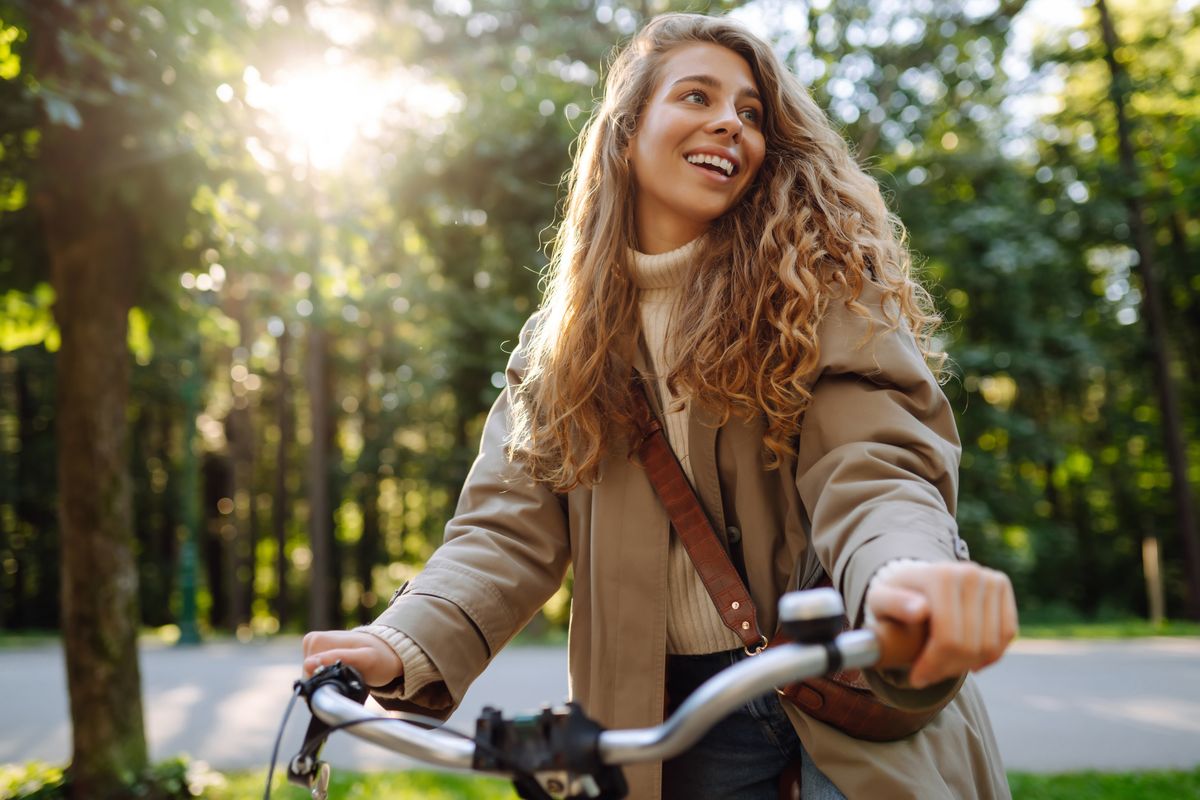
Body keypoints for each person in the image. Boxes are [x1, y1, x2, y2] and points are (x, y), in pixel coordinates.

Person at [302, 12, 1017, 799]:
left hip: (841, 684)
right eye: (696, 96)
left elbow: (875, 466)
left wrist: (907, 575)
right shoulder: (558, 347)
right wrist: (402, 639)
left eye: (750, 113)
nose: (727, 123)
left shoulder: (820, 291)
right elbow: (503, 529)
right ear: (626, 132)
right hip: (670, 718)